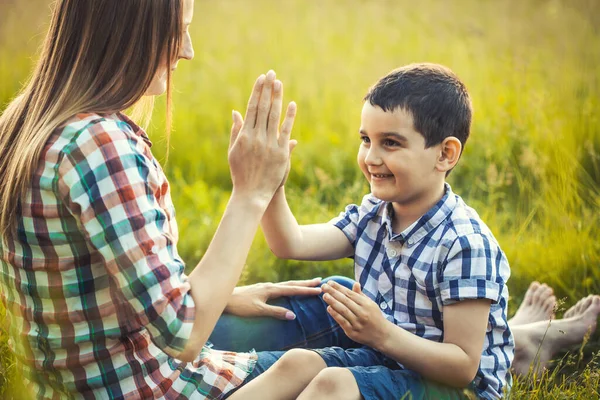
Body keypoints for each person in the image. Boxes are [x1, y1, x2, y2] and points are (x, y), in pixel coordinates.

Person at [0, 1, 332, 398]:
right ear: (126, 29)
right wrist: (251, 193)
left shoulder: (22, 122)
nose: (188, 50)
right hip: (156, 385)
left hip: (82, 378)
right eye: (178, 30)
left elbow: (91, 291)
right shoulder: (99, 145)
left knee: (328, 301)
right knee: (357, 366)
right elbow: (184, 333)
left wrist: (219, 297)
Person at [228, 63, 515, 400]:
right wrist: (269, 183)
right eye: (366, 140)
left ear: (445, 154)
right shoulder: (375, 215)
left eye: (390, 143)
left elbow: (463, 366)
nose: (371, 157)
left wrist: (381, 333)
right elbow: (290, 243)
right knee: (298, 363)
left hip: (457, 390)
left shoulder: (464, 244)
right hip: (390, 360)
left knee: (332, 385)